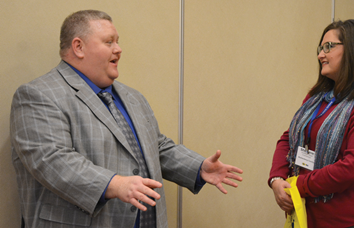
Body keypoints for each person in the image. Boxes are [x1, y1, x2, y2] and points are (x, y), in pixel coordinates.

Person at [10, 10, 243, 228]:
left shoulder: (132, 97)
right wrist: (114, 184)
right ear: (78, 47)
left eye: (118, 41)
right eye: (109, 41)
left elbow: (157, 147)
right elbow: (51, 161)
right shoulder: (39, 95)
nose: (118, 49)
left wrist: (197, 167)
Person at [269, 19, 354, 228]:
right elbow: (288, 138)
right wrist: (277, 180)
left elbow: (353, 168)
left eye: (328, 47)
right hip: (308, 216)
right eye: (320, 48)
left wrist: (298, 184)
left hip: (352, 220)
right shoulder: (317, 96)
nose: (320, 55)